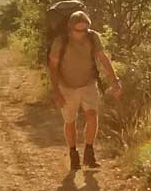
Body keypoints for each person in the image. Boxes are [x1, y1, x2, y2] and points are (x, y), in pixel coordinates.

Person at [48, 10, 121, 170]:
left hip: (88, 83)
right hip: (66, 86)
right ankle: (73, 155)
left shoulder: (93, 37)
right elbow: (53, 67)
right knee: (70, 121)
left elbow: (103, 58)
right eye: (78, 30)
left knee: (92, 116)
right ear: (70, 28)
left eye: (84, 29)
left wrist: (114, 80)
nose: (82, 33)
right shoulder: (61, 41)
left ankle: (89, 153)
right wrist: (56, 91)